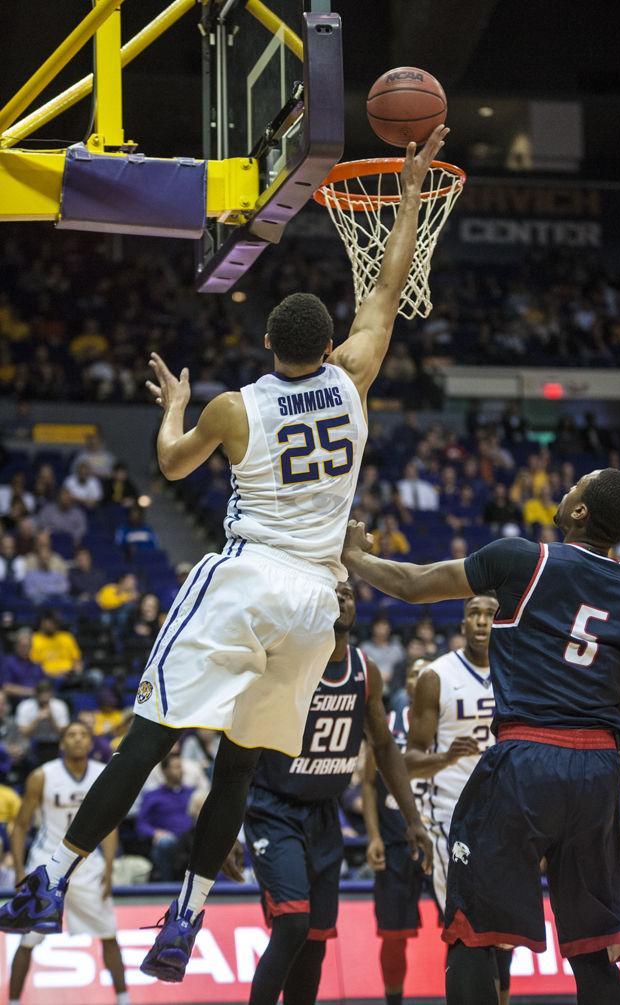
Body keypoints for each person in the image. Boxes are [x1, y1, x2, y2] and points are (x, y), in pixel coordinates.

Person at [0, 126, 449, 984]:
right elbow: (386, 291)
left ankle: (47, 879)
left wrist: (174, 405)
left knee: (147, 736)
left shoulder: (235, 409)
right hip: (318, 602)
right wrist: (412, 191)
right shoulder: (356, 375)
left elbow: (169, 464)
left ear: (268, 346)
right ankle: (188, 916)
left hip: (247, 577)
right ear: (326, 345)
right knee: (239, 764)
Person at [342, 467, 620, 1005]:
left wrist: (354, 557)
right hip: (599, 769)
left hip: (525, 757)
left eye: (575, 486)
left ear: (580, 511)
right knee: (595, 947)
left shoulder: (523, 559)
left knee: (473, 933)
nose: (564, 491)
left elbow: (415, 585)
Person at [244, 581, 432, 1005]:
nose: (343, 598)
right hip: (274, 810)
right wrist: (220, 829)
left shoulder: (366, 670)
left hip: (325, 814)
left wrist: (413, 820)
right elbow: (242, 744)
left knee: (315, 940)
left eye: (348, 592)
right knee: (292, 923)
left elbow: (383, 746)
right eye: (334, 592)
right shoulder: (288, 664)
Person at [404, 594, 512, 1005]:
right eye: (474, 614)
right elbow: (409, 762)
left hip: (504, 816)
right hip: (450, 817)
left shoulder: (516, 672)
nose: (482, 621)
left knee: (503, 933)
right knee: (466, 927)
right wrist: (446, 757)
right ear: (463, 623)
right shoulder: (435, 676)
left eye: (490, 614)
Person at [7, 722, 128, 1005]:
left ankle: (124, 999)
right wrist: (20, 870)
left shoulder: (103, 774)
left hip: (89, 866)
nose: (77, 739)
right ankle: (12, 1001)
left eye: (83, 735)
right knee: (27, 940)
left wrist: (110, 868)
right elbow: (21, 825)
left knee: (109, 934)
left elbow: (110, 826)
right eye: (71, 735)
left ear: (90, 742)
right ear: (62, 743)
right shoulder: (42, 776)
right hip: (47, 864)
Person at [362, 657, 427, 1005]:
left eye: (427, 672)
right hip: (395, 841)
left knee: (459, 929)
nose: (422, 678)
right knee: (393, 935)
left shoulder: (448, 722)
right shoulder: (388, 723)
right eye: (416, 673)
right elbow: (369, 783)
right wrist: (373, 835)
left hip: (440, 837)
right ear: (407, 682)